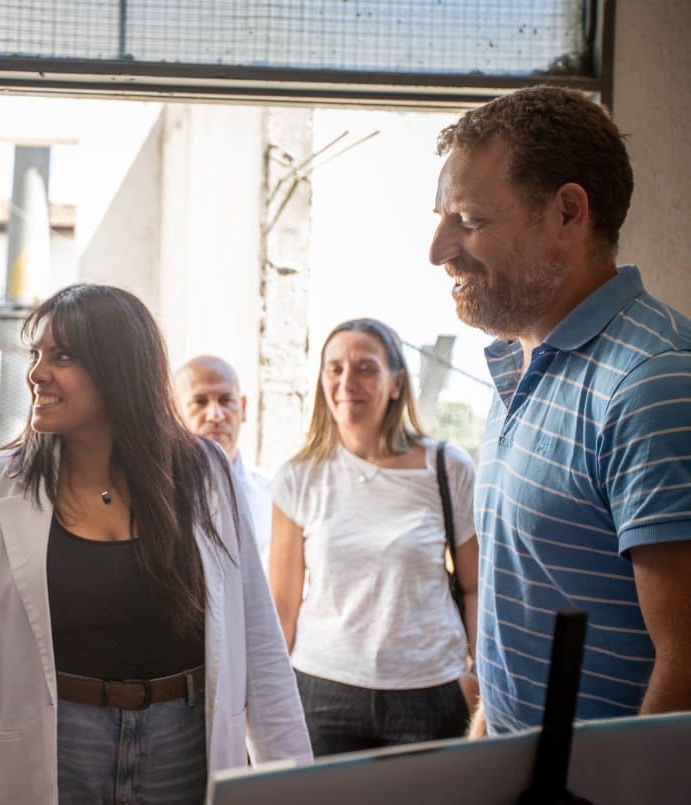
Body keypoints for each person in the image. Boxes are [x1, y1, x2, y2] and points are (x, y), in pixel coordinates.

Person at [0, 283, 311, 805]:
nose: (37, 374)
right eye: (37, 355)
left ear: (122, 368)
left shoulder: (205, 474)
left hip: (183, 745)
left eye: (62, 356)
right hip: (55, 746)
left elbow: (261, 649)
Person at [429, 85, 691, 735]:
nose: (438, 249)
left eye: (469, 219)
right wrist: (488, 724)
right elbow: (529, 597)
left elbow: (687, 667)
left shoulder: (651, 382)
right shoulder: (520, 365)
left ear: (569, 212)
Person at [270, 317, 480, 757]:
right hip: (322, 690)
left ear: (397, 383)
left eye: (365, 368)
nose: (348, 381)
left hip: (430, 691)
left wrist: (477, 683)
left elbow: (475, 586)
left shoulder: (446, 467)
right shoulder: (299, 477)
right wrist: (271, 701)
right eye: (335, 368)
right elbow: (282, 606)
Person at [174, 355, 273, 570]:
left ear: (244, 407)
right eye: (200, 402)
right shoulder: (162, 493)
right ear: (174, 412)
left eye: (226, 400)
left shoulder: (272, 496)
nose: (215, 415)